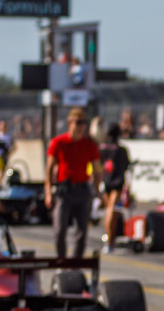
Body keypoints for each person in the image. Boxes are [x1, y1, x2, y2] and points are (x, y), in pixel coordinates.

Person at [44, 107, 100, 259]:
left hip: (82, 189)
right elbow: (49, 169)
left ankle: (76, 262)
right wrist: (48, 192)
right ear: (70, 123)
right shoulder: (58, 142)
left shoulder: (89, 144)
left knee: (82, 230)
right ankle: (62, 260)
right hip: (64, 189)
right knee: (60, 229)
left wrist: (97, 192)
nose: (81, 126)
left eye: (84, 123)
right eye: (78, 122)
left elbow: (97, 170)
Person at [98, 123, 131, 250]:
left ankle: (111, 239)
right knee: (111, 211)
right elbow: (126, 167)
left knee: (112, 212)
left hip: (105, 182)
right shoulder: (121, 150)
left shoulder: (102, 148)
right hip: (116, 183)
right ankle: (108, 240)